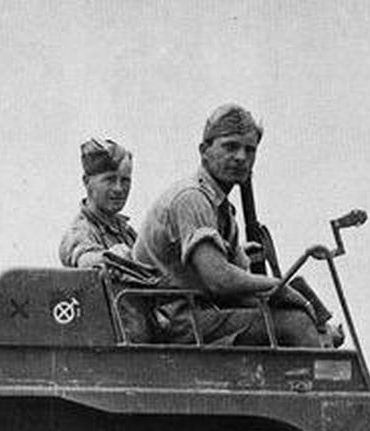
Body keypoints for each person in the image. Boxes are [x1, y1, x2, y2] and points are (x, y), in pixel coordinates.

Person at [131, 104, 325, 347]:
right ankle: (317, 383)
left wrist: (283, 294)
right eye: (230, 146)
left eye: (249, 150)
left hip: (199, 312)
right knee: (293, 324)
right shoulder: (192, 198)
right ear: (204, 151)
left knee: (291, 308)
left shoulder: (221, 210)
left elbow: (241, 281)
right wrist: (277, 286)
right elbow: (220, 280)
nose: (241, 157)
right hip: (176, 322)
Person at [58, 139, 138, 268]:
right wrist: (111, 257)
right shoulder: (80, 231)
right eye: (109, 180)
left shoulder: (127, 233)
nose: (119, 188)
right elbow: (83, 259)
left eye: (125, 180)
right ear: (86, 181)